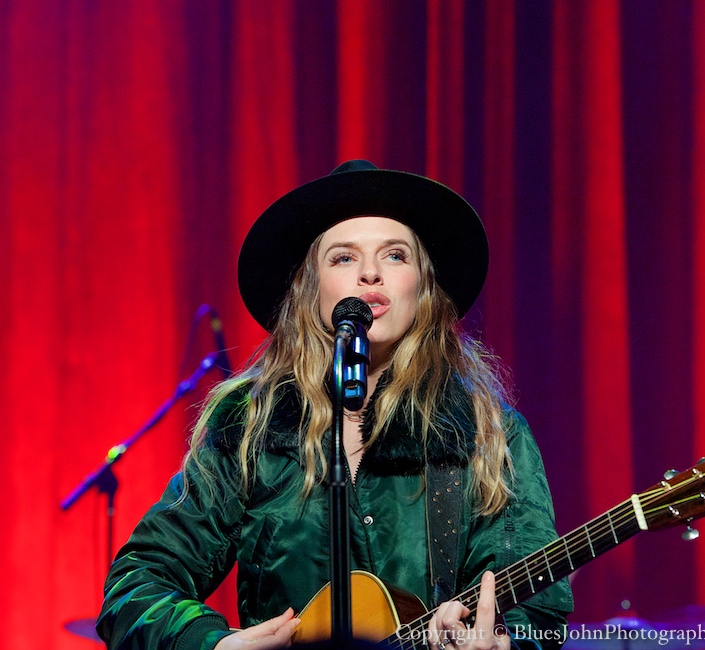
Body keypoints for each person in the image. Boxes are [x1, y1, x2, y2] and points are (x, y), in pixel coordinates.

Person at [97, 160, 573, 650]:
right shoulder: (252, 426)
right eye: (343, 258)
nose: (370, 273)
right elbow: (136, 585)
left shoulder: (485, 430)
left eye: (394, 255)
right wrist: (215, 645)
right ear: (311, 290)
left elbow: (536, 608)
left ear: (423, 287)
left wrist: (505, 643)